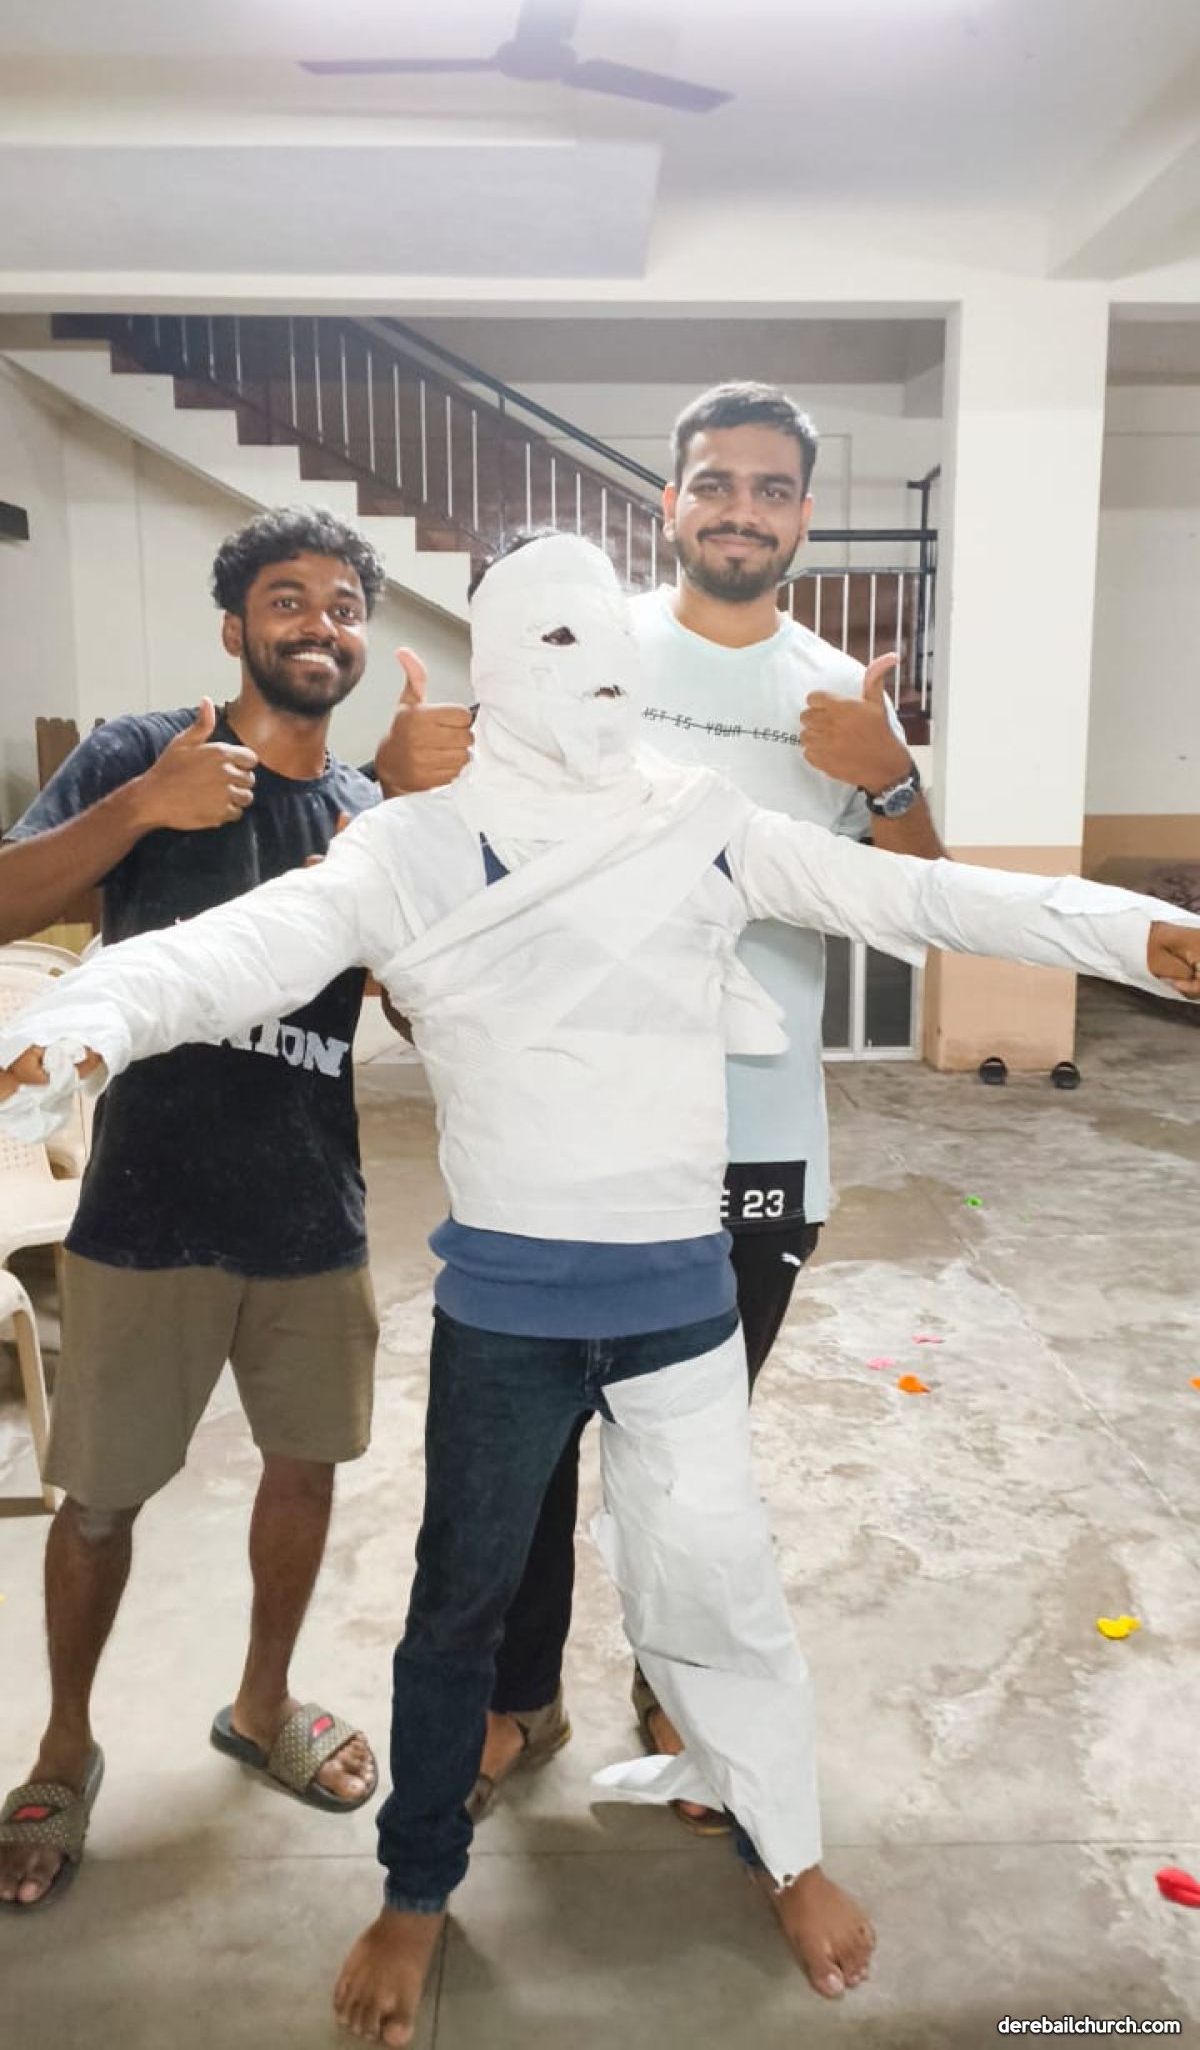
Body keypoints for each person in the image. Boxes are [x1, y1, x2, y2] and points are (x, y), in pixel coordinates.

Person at [2, 534, 1197, 2046]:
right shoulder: (411, 845)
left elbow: (921, 897)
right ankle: (417, 1889)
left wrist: (1134, 936)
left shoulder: (699, 820)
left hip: (679, 1305)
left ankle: (787, 1849)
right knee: (455, 1613)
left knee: (724, 1595)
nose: (604, 676)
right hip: (505, 1320)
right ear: (502, 664)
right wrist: (88, 1021)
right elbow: (232, 949)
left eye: (615, 651)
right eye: (563, 646)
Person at [374, 383, 944, 1825]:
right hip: (566, 1140)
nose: (742, 509)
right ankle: (518, 1694)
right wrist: (395, 787)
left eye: (771, 487)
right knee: (529, 1454)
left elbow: (921, 915)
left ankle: (676, 1692)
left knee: (689, 1463)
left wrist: (890, 783)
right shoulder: (586, 646)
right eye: (715, 482)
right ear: (672, 502)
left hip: (758, 1148)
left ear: (802, 516)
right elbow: (455, 849)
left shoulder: (839, 691)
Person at [0, 506, 389, 1914]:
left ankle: (262, 1702)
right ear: (235, 627)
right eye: (286, 599)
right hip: (144, 1209)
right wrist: (139, 810)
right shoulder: (140, 752)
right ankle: (63, 1744)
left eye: (342, 604)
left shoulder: (369, 812)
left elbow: (426, 996)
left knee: (306, 1469)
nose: (317, 623)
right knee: (100, 1501)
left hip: (312, 1207)